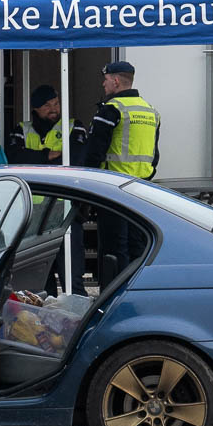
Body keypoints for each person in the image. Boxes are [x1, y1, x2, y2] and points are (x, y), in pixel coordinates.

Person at [75, 61, 161, 280]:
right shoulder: (150, 111)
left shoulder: (111, 109)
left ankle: (113, 298)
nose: (103, 85)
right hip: (142, 189)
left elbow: (94, 153)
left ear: (115, 80)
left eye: (105, 80)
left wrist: (85, 192)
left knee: (114, 249)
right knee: (138, 246)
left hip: (113, 188)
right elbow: (154, 155)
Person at [9, 85, 65, 165]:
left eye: (56, 104)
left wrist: (34, 158)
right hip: (28, 178)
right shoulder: (21, 129)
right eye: (47, 105)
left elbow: (77, 158)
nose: (53, 109)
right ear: (36, 108)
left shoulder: (72, 126)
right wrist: (48, 155)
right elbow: (14, 158)